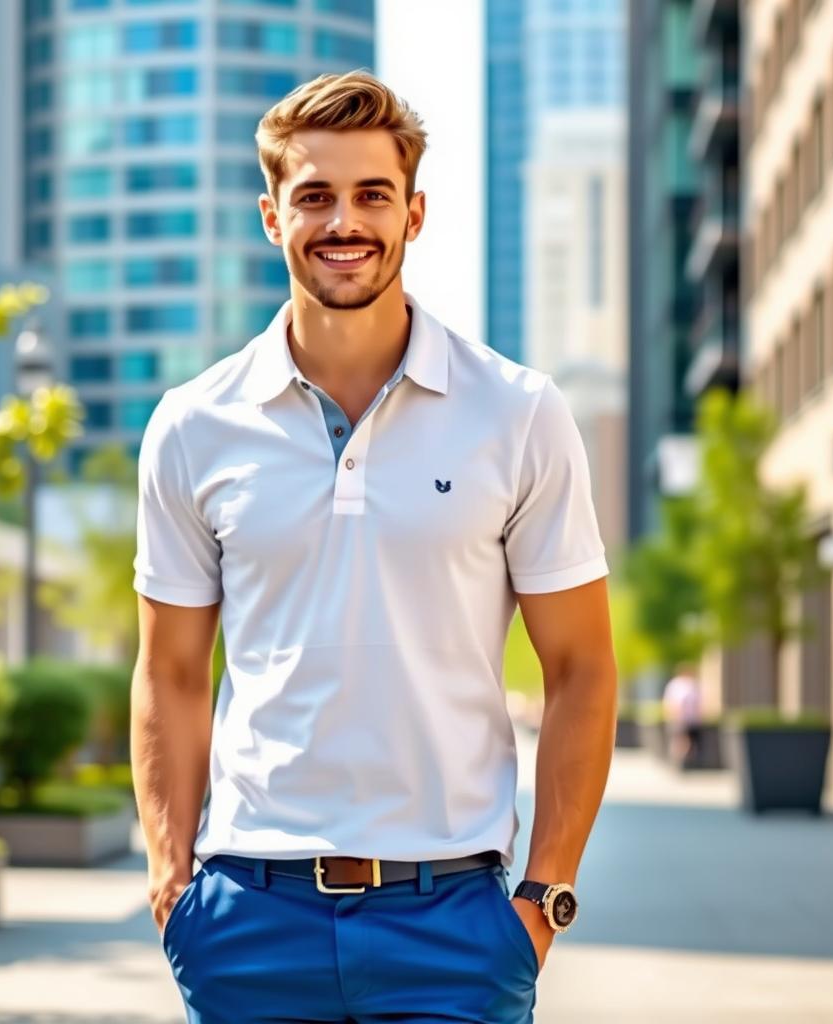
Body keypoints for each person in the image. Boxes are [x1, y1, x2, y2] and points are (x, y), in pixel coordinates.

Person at [130, 70, 617, 1024]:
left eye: (371, 195)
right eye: (313, 195)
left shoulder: (517, 413)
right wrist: (171, 883)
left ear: (415, 213)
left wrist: (542, 899)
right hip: (246, 919)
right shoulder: (193, 425)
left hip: (456, 927)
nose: (342, 222)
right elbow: (171, 672)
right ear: (272, 217)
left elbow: (582, 668)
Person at [662, 663, 703, 767]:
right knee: (681, 740)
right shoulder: (676, 685)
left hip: (692, 719)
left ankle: (688, 762)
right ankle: (678, 761)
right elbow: (672, 702)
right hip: (679, 718)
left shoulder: (692, 684)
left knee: (691, 741)